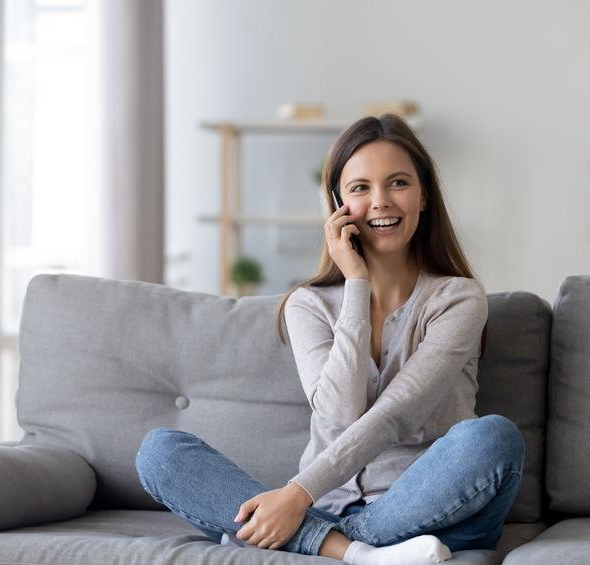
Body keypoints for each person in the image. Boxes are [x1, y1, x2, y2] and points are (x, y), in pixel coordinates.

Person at [135, 114, 525, 564]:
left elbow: (398, 415)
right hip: (330, 505)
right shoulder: (309, 305)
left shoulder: (458, 298)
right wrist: (356, 285)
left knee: (493, 437)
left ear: (424, 197)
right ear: (338, 204)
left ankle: (312, 541)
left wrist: (295, 497)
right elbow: (339, 413)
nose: (380, 201)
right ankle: (358, 553)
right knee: (160, 452)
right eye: (360, 188)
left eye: (397, 183)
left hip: (430, 516)